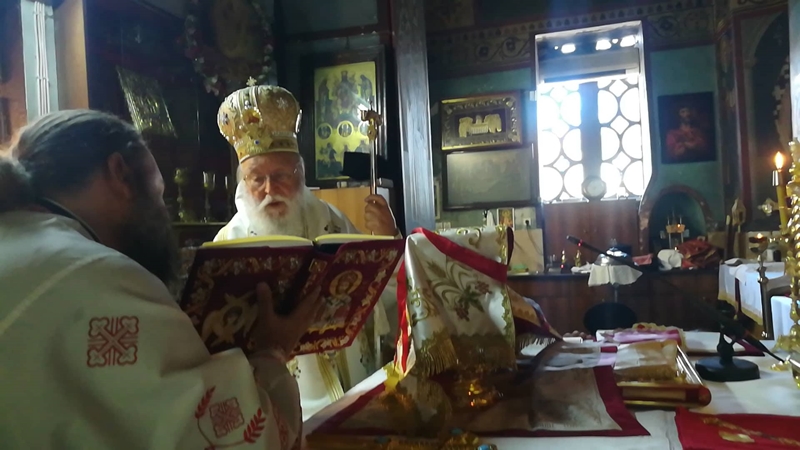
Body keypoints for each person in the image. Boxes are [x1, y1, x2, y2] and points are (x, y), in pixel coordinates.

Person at [0, 110, 321, 449]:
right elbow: (234, 440)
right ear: (120, 173)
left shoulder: (23, 244)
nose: (162, 211)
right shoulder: (97, 275)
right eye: (158, 193)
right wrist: (272, 351)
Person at [214, 84, 400, 420]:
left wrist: (389, 239)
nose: (269, 190)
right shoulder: (228, 243)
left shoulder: (332, 220)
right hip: (279, 405)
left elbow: (381, 293)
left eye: (280, 176)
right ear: (243, 182)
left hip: (352, 389)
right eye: (256, 179)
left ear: (300, 174)